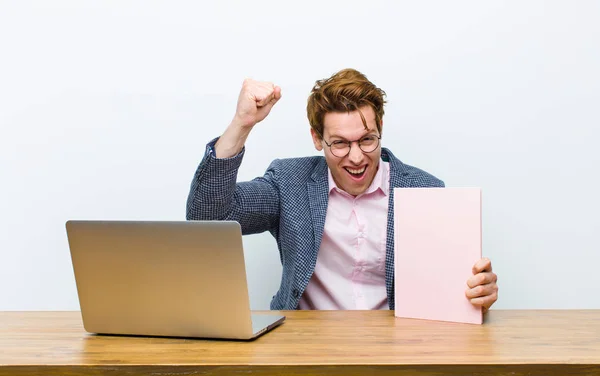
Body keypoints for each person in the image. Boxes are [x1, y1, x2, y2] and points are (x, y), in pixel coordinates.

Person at [186, 68, 498, 312]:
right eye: (340, 143)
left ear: (380, 131)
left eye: (367, 139)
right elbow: (208, 217)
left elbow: (448, 291)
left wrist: (475, 294)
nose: (357, 156)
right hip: (306, 348)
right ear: (316, 139)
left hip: (395, 349)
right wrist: (242, 124)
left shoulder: (424, 190)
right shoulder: (289, 182)